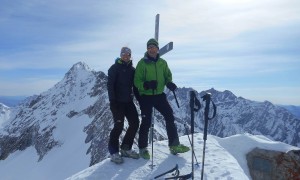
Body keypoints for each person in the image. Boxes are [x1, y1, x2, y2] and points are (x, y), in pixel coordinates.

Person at [134, 38, 190, 159]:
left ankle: (174, 145)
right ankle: (142, 148)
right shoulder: (142, 63)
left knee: (169, 115)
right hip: (146, 97)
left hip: (159, 95)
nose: (151, 49)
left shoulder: (162, 63)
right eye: (149, 47)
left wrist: (169, 83)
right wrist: (146, 85)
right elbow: (136, 81)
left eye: (153, 47)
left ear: (157, 49)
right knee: (146, 122)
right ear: (147, 50)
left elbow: (167, 76)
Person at [107, 47, 140, 164]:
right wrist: (112, 101)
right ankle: (113, 152)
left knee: (135, 123)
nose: (126, 56)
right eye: (123, 54)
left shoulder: (132, 70)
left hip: (128, 102)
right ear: (120, 55)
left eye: (128, 54)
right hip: (117, 102)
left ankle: (126, 148)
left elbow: (135, 87)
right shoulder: (114, 68)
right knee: (119, 127)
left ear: (130, 56)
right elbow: (110, 85)